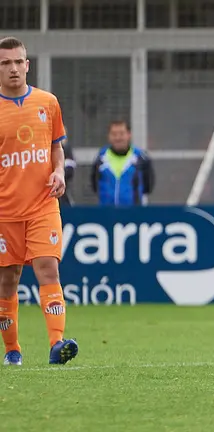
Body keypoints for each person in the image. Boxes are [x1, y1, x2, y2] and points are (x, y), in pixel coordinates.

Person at [0, 36, 79, 366]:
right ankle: (13, 351)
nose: (14, 68)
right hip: (5, 211)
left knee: (48, 268)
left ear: (28, 65)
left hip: (43, 204)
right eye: (6, 63)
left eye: (19, 62)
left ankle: (56, 345)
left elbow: (55, 147)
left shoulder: (48, 102)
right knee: (8, 279)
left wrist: (58, 171)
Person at [91, 120, 155, 206]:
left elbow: (148, 185)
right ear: (109, 136)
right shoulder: (101, 158)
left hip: (133, 214)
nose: (118, 138)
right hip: (106, 214)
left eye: (121, 134)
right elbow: (95, 185)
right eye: (114, 134)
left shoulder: (140, 158)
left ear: (129, 135)